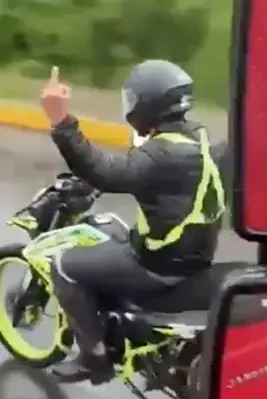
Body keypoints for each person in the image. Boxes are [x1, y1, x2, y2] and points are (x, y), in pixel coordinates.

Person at [39, 61, 227, 382]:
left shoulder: (161, 154)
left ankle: (94, 358)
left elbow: (106, 172)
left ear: (149, 104)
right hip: (192, 255)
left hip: (158, 266)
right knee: (113, 231)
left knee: (64, 266)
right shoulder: (198, 139)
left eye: (134, 100)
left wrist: (61, 120)